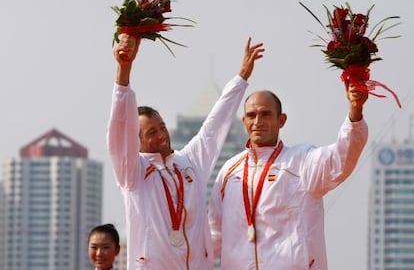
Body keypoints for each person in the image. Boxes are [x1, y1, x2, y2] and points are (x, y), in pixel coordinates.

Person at [106, 34, 265, 269]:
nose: (161, 135)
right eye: (151, 133)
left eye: (162, 127)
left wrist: (241, 78)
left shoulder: (189, 161)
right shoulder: (133, 172)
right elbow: (119, 130)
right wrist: (123, 72)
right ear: (137, 142)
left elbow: (215, 125)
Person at [208, 82, 369, 269]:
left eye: (265, 114)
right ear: (244, 121)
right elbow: (213, 235)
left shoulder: (300, 161)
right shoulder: (229, 172)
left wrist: (355, 111)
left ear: (281, 120)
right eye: (251, 115)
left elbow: (340, 159)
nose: (257, 121)